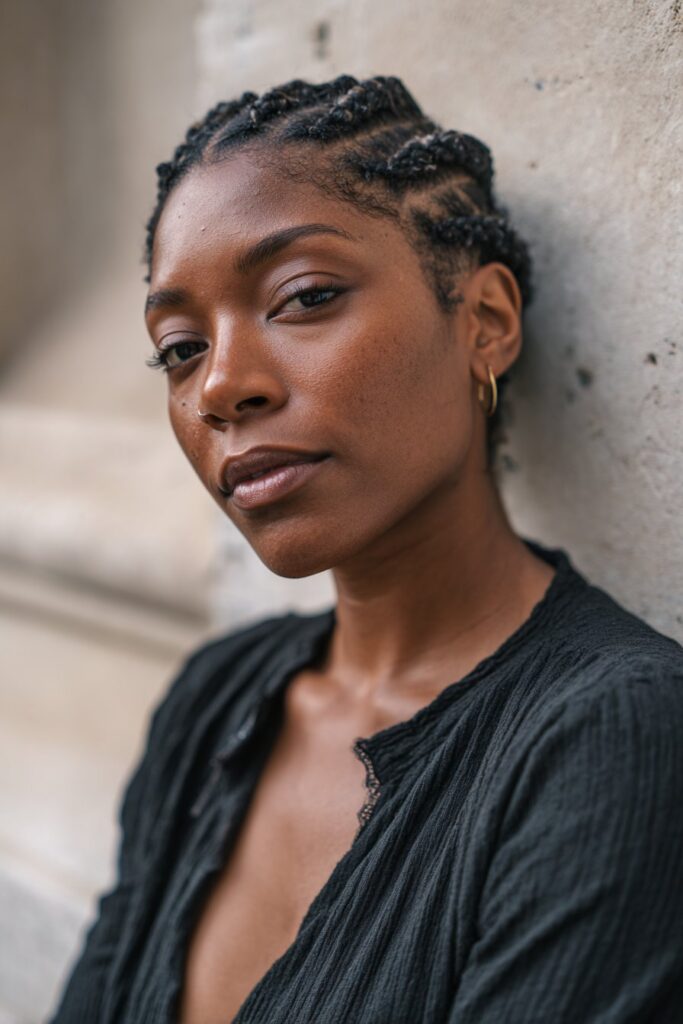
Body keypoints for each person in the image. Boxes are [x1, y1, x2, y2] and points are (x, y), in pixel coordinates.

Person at [49, 74, 683, 1024]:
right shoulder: (213, 703)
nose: (221, 385)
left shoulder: (612, 736)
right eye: (179, 347)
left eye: (302, 297)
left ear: (485, 323)